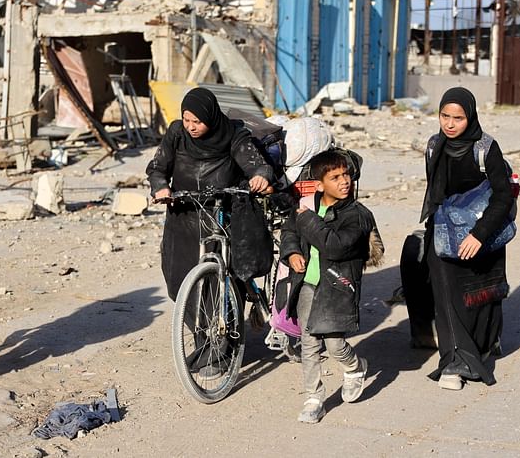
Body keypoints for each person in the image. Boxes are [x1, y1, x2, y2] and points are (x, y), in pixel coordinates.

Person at [420, 87, 513, 391]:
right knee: (447, 298)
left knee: (481, 294)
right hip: (444, 232)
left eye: (458, 118)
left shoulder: (486, 148)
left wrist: (478, 234)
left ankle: (485, 344)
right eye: (445, 116)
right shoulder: (435, 145)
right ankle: (455, 362)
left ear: (470, 117)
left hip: (481, 232)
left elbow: (502, 197)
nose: (450, 123)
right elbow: (435, 192)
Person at [280, 150, 383, 423]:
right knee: (309, 341)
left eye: (346, 174)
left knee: (335, 345)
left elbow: (335, 246)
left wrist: (307, 220)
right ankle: (313, 398)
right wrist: (292, 253)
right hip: (307, 284)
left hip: (338, 286)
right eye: (335, 177)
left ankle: (354, 366)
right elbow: (290, 230)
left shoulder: (357, 214)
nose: (344, 181)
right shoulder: (307, 204)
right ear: (319, 184)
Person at [146, 87, 273, 301]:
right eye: (187, 120)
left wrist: (260, 176)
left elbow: (257, 165)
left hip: (221, 212)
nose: (191, 127)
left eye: (197, 121)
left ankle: (229, 318)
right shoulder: (177, 133)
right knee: (180, 276)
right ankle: (197, 326)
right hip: (183, 214)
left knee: (227, 270)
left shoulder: (234, 135)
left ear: (211, 116)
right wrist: (160, 186)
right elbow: (158, 167)